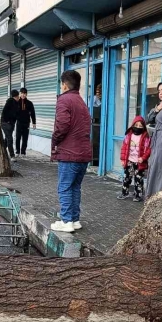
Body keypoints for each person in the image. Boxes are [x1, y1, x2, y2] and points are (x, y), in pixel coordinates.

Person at [50, 70, 92, 233]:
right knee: (75, 187)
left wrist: (55, 140)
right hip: (83, 153)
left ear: (65, 85)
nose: (61, 86)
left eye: (62, 84)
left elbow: (62, 125)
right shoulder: (81, 102)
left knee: (65, 187)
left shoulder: (64, 100)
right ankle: (74, 219)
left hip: (69, 153)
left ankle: (66, 220)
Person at [118, 116, 151, 202]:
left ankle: (138, 195)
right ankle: (124, 193)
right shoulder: (128, 136)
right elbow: (124, 148)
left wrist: (143, 158)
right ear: (133, 125)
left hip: (140, 163)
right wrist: (122, 159)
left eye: (140, 126)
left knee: (138, 180)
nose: (138, 127)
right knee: (126, 178)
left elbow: (148, 150)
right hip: (129, 161)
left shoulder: (146, 137)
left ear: (143, 127)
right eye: (136, 125)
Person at [15, 87, 36, 156]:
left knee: (25, 138)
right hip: (19, 123)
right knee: (18, 137)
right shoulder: (17, 102)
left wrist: (34, 122)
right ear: (20, 94)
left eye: (24, 93)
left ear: (26, 94)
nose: (23, 95)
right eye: (22, 93)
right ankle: (17, 151)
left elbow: (33, 113)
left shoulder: (29, 103)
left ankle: (23, 152)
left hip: (26, 123)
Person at [0, 89, 20, 159]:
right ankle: (12, 156)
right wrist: (7, 121)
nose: (19, 98)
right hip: (6, 123)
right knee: (10, 139)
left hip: (10, 124)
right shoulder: (10, 102)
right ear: (16, 96)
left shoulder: (16, 103)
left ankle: (2, 152)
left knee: (7, 139)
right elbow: (5, 112)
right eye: (18, 96)